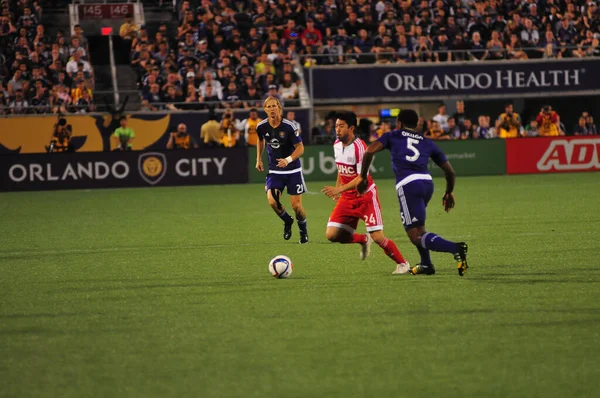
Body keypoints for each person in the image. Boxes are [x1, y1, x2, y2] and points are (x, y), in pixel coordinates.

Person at [357, 109, 469, 276]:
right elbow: (450, 172)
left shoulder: (393, 135)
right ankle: (426, 264)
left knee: (415, 235)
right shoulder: (427, 141)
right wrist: (448, 192)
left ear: (399, 123)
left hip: (408, 185)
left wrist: (363, 177)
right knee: (418, 227)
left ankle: (456, 248)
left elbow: (369, 151)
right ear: (417, 125)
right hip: (426, 184)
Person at [321, 111, 410, 275]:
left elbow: (361, 179)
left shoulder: (360, 147)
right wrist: (338, 189)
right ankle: (362, 239)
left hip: (365, 197)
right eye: (336, 126)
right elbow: (341, 170)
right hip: (347, 198)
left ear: (351, 128)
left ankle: (403, 264)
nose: (337, 130)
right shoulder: (336, 145)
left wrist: (338, 189)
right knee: (332, 235)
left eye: (341, 126)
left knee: (378, 237)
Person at [256, 96, 309, 244]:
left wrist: (288, 160)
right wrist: (258, 159)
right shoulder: (261, 127)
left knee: (297, 206)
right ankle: (287, 220)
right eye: (269, 107)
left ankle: (303, 230)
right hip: (275, 171)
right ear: (265, 110)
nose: (272, 109)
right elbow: (260, 140)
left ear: (279, 108)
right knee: (273, 202)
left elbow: (300, 148)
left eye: (274, 106)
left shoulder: (289, 126)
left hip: (293, 171)